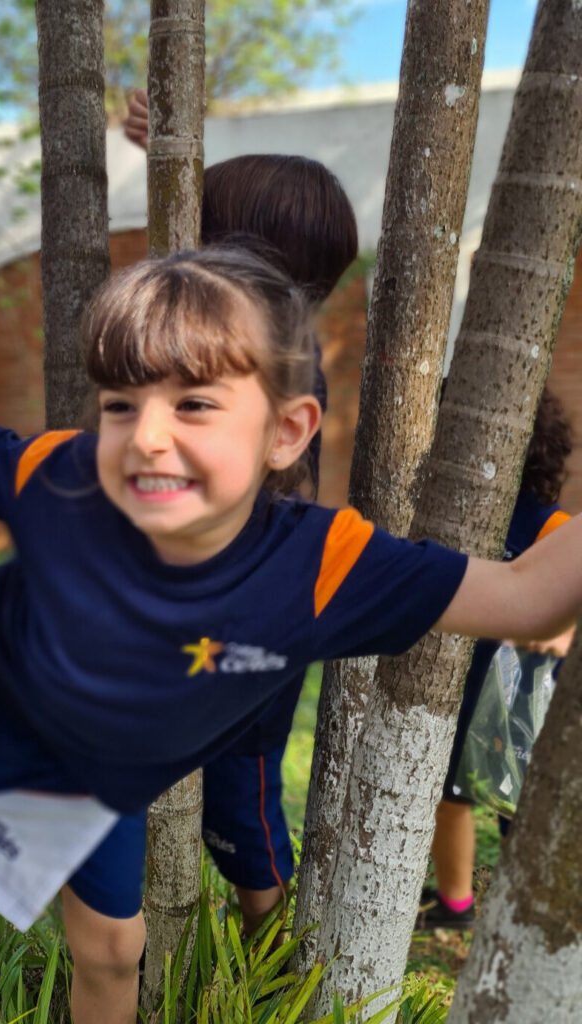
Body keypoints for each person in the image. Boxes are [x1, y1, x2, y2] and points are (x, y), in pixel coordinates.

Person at [0, 243, 582, 1024]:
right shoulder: (60, 472)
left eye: (194, 403)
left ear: (288, 431)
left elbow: (526, 599)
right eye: (121, 404)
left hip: (91, 781)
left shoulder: (323, 564)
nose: (147, 436)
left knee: (111, 952)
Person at [126, 86, 360, 933]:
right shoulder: (257, 339)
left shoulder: (273, 362)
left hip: (249, 619)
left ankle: (266, 946)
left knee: (246, 791)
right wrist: (175, 147)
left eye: (207, 231)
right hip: (210, 608)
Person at [419, 386, 574, 931]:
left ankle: (529, 914)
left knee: (522, 810)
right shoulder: (446, 514)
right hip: (461, 678)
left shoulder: (546, 522)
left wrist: (563, 631)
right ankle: (456, 904)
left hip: (524, 688)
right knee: (449, 793)